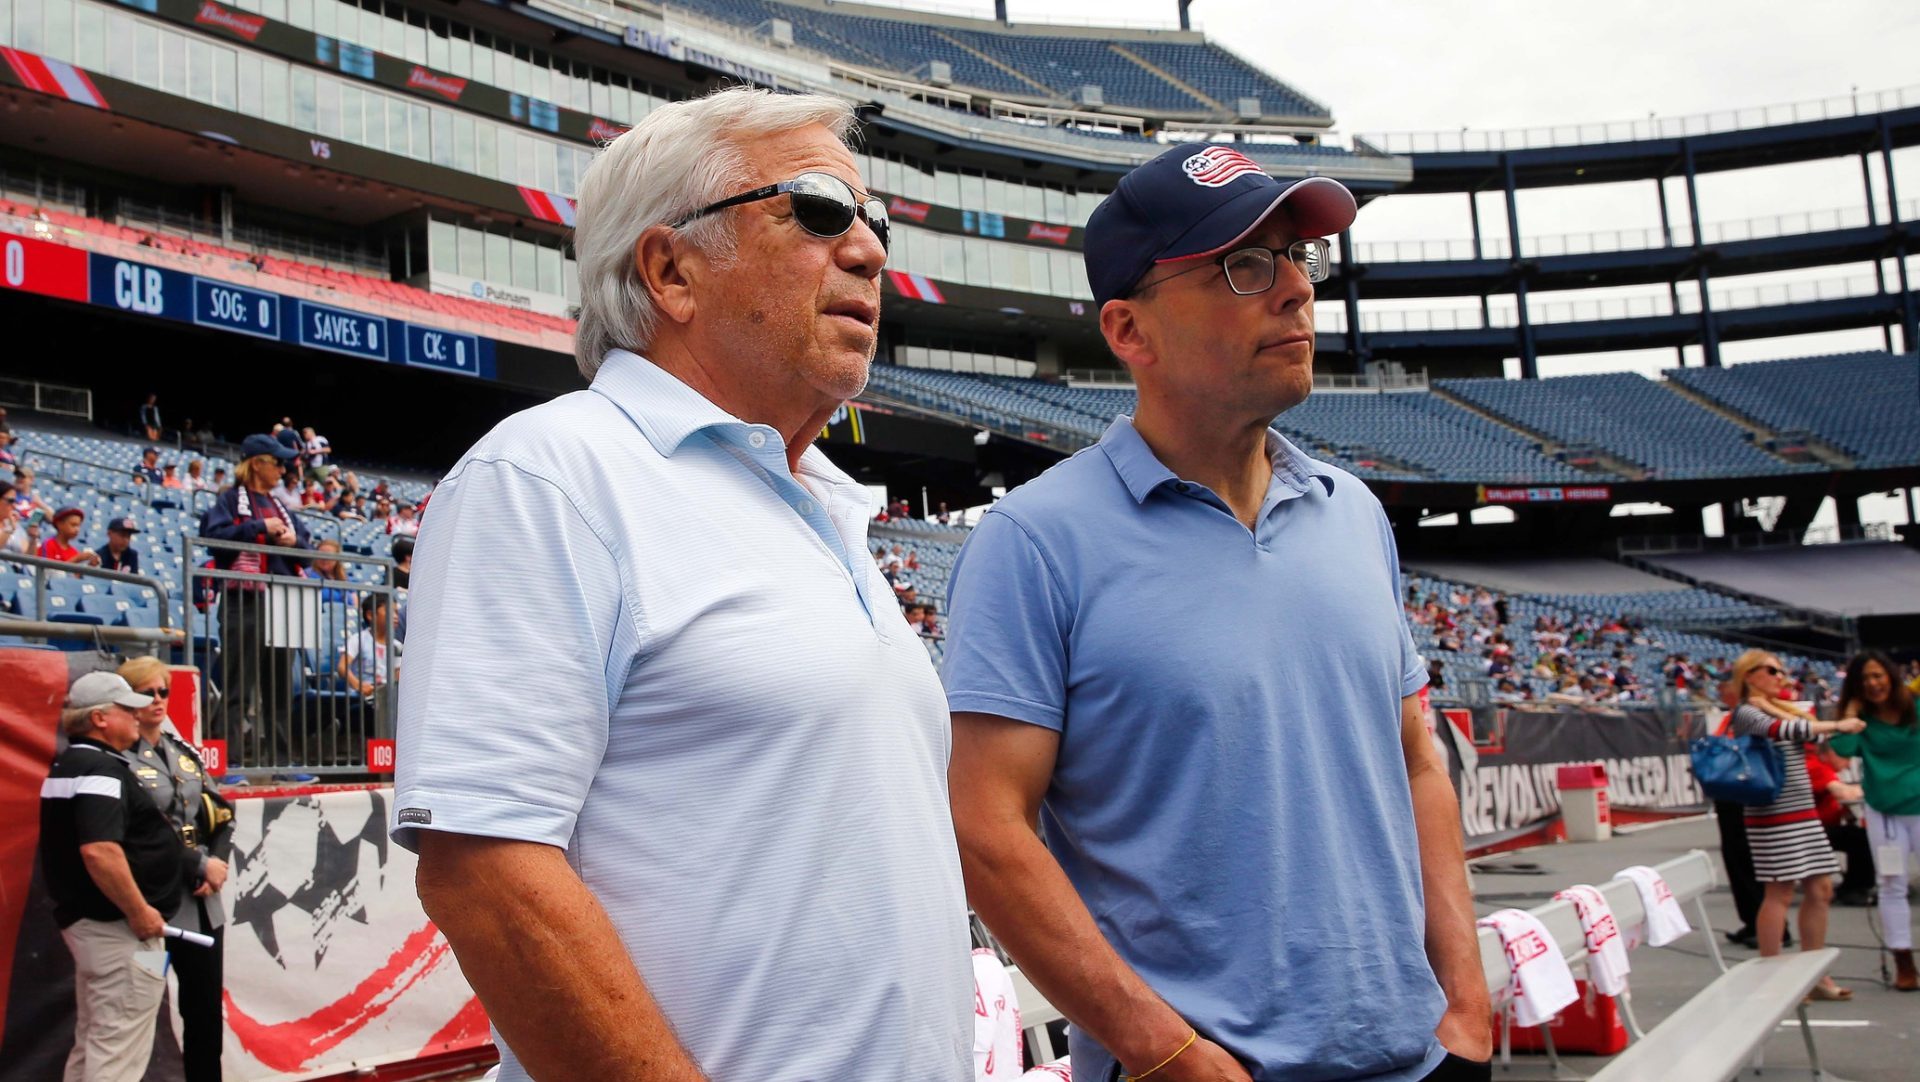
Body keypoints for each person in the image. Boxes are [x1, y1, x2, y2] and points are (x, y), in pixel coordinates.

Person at [391, 86, 970, 1082]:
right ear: (671, 270)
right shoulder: (555, 472)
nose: (871, 248)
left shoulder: (825, 504)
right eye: (820, 208)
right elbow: (485, 870)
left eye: (874, 220)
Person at [943, 144, 1491, 1082]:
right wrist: (1166, 1052)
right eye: (1244, 265)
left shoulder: (1353, 514)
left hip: (1417, 1059)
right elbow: (987, 827)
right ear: (1130, 330)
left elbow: (1415, 757)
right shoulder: (1035, 541)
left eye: (1296, 258)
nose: (1293, 291)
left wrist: (1467, 1006)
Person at [39, 672, 184, 1082]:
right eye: (128, 709)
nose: (139, 716)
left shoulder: (73, 763)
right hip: (121, 929)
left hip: (101, 926)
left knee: (96, 1040)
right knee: (116, 1049)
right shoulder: (99, 767)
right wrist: (139, 912)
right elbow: (100, 850)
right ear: (100, 718)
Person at [116, 657, 235, 1081]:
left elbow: (221, 812)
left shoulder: (182, 752)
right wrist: (200, 863)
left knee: (204, 1012)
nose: (157, 700)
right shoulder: (119, 758)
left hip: (203, 902)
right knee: (137, 1012)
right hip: (152, 903)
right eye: (146, 693)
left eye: (162, 691)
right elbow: (142, 830)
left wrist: (216, 861)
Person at [1726, 649, 1865, 998]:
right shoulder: (1747, 711)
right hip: (1773, 812)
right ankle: (1773, 975)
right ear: (1750, 675)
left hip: (1801, 809)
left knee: (1821, 889)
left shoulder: (1780, 705)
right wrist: (1836, 723)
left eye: (1781, 670)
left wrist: (1840, 718)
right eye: (1772, 670)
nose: (1780, 676)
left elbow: (1812, 735)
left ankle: (1814, 974)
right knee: (1780, 891)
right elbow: (1783, 730)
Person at [199, 434, 313, 778]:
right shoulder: (230, 500)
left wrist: (295, 541)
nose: (283, 469)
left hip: (283, 601)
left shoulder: (282, 507)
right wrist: (258, 527)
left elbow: (308, 549)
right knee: (238, 683)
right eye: (277, 462)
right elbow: (213, 541)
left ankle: (281, 761)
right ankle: (230, 761)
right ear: (257, 463)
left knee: (280, 687)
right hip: (243, 599)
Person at [1829, 650, 1920, 990]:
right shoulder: (1862, 719)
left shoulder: (1916, 707)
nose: (1873, 683)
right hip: (1886, 813)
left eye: (1878, 676)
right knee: (1892, 886)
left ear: (1891, 677)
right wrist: (1851, 710)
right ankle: (1903, 962)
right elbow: (1843, 745)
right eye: (1864, 679)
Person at [308, 538, 355, 604]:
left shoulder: (344, 576)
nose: (324, 559)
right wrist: (347, 597)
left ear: (337, 558)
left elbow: (356, 598)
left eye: (329, 555)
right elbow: (323, 596)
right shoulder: (308, 574)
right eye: (321, 555)